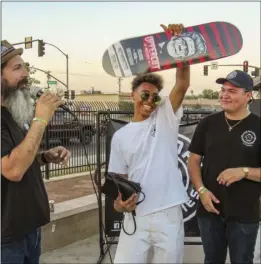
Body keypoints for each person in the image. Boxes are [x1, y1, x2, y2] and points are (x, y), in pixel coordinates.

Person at [108, 23, 190, 263]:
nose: (150, 100)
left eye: (155, 96)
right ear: (132, 95)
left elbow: (182, 84)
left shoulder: (165, 116)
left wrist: (179, 45)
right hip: (136, 216)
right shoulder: (120, 136)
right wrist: (120, 206)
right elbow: (117, 183)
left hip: (168, 212)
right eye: (144, 94)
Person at [1, 40, 71, 264]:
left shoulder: (13, 113)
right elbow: (12, 170)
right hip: (6, 239)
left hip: (29, 230)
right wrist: (41, 118)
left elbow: (18, 155)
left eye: (25, 66)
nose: (26, 73)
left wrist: (43, 156)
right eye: (16, 68)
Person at [188, 70, 261, 264]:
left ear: (248, 96)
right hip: (210, 211)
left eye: (232, 90)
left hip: (245, 214)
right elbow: (193, 160)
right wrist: (201, 190)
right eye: (223, 89)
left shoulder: (258, 126)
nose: (224, 95)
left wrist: (243, 172)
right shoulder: (207, 124)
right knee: (212, 260)